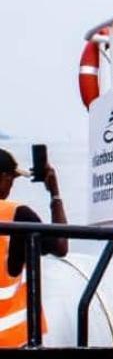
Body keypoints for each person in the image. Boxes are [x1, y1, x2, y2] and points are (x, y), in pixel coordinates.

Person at [0, 148, 67, 346]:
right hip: (12, 339)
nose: (11, 187)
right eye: (11, 180)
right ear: (3, 178)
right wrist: (55, 193)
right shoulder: (17, 214)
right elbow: (61, 246)